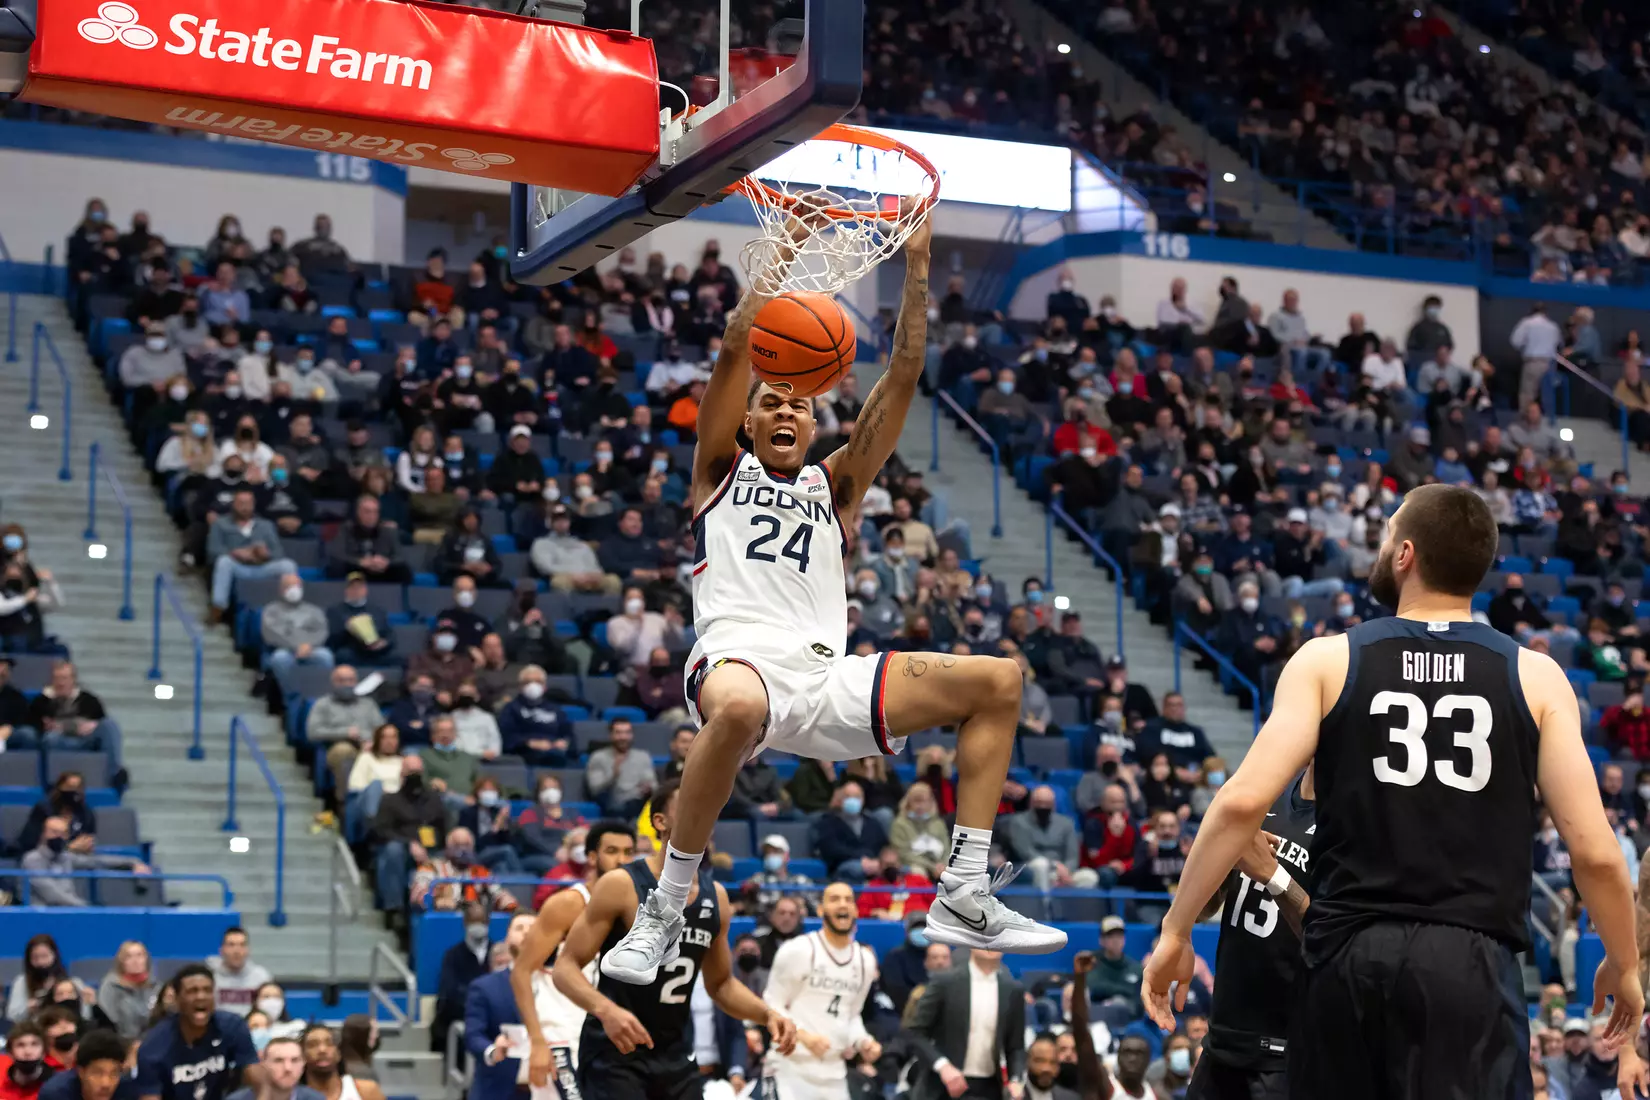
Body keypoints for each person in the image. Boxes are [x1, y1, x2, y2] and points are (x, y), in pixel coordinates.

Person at [599, 203, 1061, 986]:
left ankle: (964, 888)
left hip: (824, 677)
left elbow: (903, 375)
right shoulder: (718, 472)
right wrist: (785, 240)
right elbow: (737, 346)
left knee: (1000, 682)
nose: (785, 409)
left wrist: (917, 262)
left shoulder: (835, 487)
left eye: (799, 404)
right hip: (736, 660)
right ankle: (666, 905)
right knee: (739, 707)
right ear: (748, 423)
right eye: (770, 402)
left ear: (815, 425)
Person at [1142, 485, 1647, 1098]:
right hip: (1469, 966)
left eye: (1387, 536)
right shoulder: (1536, 676)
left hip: (1344, 959)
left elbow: (1242, 803)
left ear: (1405, 554)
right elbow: (1595, 853)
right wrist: (1624, 962)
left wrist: (1175, 931)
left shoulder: (1328, 660)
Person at [551, 778, 797, 1100]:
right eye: (691, 805)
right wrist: (605, 1010)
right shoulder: (621, 885)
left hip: (675, 1054)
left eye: (708, 807)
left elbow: (721, 984)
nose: (702, 814)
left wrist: (767, 1014)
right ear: (660, 822)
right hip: (616, 1053)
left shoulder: (716, 897)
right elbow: (565, 967)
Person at [1183, 772, 1315, 1100]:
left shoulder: (1350, 818)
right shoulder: (1265, 793)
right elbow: (1202, 910)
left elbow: (1332, 937)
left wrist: (1273, 875)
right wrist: (1222, 856)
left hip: (1286, 1052)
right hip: (1221, 1040)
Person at [511, 821, 639, 1091]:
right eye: (612, 851)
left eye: (628, 852)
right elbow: (521, 972)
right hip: (561, 1037)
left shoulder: (636, 907)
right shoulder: (568, 903)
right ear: (591, 857)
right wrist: (536, 1041)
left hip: (608, 1038)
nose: (622, 860)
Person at [760, 882, 881, 1100]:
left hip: (834, 1072)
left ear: (855, 910)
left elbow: (851, 1016)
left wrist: (863, 1042)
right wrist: (804, 1037)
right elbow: (771, 1005)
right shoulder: (798, 950)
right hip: (789, 1067)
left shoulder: (865, 961)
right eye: (834, 899)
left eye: (848, 900)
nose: (842, 904)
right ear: (820, 910)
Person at [905, 947, 1025, 1100]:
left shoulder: (1013, 989)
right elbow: (914, 1032)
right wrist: (942, 1065)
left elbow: (1016, 1046)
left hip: (989, 1088)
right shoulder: (945, 982)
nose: (990, 943)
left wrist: (1016, 1079)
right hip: (941, 1086)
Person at [136, 966, 265, 1100]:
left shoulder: (232, 1026)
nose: (201, 996)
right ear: (177, 999)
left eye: (207, 990)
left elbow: (259, 1081)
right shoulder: (153, 1047)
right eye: (192, 991)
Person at [22, 815, 150, 906]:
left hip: (71, 913)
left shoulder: (66, 857)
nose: (59, 837)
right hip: (42, 915)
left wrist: (132, 861)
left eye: (63, 833)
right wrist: (84, 907)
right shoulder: (32, 859)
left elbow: (98, 861)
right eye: (54, 832)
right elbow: (52, 894)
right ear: (44, 834)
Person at [36, 1029, 131, 1100]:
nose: (106, 1084)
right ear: (81, 1072)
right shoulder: (55, 1093)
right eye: (97, 1073)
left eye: (114, 1074)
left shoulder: (125, 1090)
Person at [299, 1025, 384, 1100]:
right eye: (312, 1045)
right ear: (302, 1054)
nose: (322, 1050)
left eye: (330, 1043)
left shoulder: (366, 1090)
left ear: (339, 1052)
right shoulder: (293, 1095)